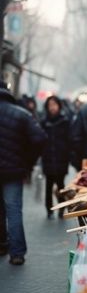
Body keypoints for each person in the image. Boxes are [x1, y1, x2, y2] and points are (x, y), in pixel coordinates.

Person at [0, 81, 47, 265]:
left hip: (12, 169)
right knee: (13, 210)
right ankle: (17, 253)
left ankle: (2, 244)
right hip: (13, 170)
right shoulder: (21, 114)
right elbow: (40, 138)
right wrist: (28, 161)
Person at [40, 96, 71, 219]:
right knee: (48, 186)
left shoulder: (65, 121)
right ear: (47, 107)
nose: (52, 107)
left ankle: (61, 208)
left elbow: (69, 140)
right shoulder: (43, 122)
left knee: (61, 186)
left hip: (61, 158)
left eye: (54, 104)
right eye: (50, 105)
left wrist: (68, 155)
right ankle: (49, 209)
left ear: (59, 106)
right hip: (48, 158)